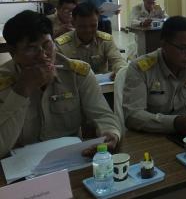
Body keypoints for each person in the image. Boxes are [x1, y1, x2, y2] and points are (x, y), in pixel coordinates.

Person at [0, 10, 120, 158]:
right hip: (15, 168)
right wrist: (22, 90)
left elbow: (103, 115)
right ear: (12, 52)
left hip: (69, 161)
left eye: (47, 45)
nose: (43, 55)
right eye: (31, 48)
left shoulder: (77, 73)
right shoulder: (3, 81)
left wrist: (110, 133)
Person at [55, 3, 127, 79]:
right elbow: (57, 72)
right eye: (83, 26)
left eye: (93, 25)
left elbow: (118, 60)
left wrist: (120, 72)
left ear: (98, 21)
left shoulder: (105, 40)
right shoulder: (61, 45)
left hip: (103, 87)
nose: (88, 30)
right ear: (73, 23)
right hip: (74, 87)